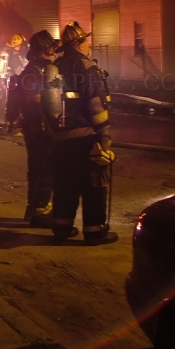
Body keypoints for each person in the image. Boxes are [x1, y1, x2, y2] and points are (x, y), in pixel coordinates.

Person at [48, 22, 117, 245]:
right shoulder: (86, 66)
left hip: (60, 139)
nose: (88, 45)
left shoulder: (56, 66)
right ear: (79, 44)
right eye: (86, 41)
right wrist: (104, 139)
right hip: (86, 138)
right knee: (94, 184)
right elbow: (96, 104)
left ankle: (62, 227)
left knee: (65, 185)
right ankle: (94, 232)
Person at [5, 30, 60, 227]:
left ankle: (36, 207)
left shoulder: (33, 71)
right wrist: (48, 125)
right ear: (43, 51)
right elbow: (36, 103)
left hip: (35, 127)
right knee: (44, 169)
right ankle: (40, 212)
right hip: (39, 128)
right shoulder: (35, 73)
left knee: (39, 168)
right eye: (52, 49)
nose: (55, 53)